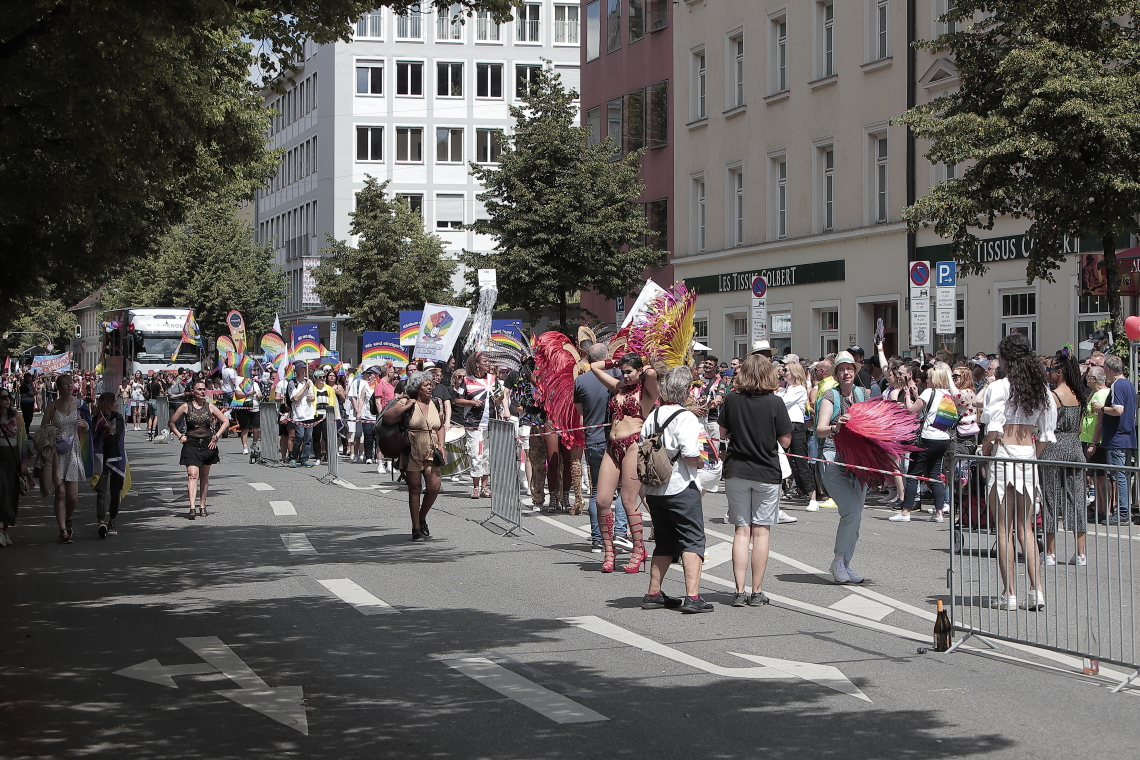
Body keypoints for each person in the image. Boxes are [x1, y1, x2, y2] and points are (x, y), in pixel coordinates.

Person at [980, 333, 1057, 611]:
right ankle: (1036, 591)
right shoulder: (1042, 390)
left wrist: (985, 451)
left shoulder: (999, 387)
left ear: (1006, 359)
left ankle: (1009, 593)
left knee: (1004, 530)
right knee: (1025, 528)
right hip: (1027, 456)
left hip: (1003, 454)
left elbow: (992, 430)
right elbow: (1047, 434)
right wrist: (1033, 456)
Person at [720, 355, 793, 607]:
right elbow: (785, 441)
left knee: (741, 531)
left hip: (737, 470)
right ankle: (756, 591)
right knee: (761, 533)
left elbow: (722, 434)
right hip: (766, 471)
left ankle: (738, 591)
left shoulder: (731, 399)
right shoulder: (775, 402)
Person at [640, 366, 712, 614]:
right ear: (685, 391)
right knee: (693, 540)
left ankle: (654, 592)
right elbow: (691, 455)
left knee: (664, 541)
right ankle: (693, 596)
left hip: (654, 487)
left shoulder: (653, 415)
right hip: (680, 485)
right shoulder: (686, 417)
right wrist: (702, 463)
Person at [589, 352, 659, 573]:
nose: (625, 375)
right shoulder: (619, 387)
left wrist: (644, 363)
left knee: (629, 501)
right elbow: (594, 366)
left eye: (629, 371)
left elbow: (652, 373)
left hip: (633, 446)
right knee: (602, 501)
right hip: (612, 446)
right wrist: (616, 361)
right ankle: (610, 551)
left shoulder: (647, 391)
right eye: (622, 371)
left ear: (639, 371)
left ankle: (639, 550)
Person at [814, 352, 870, 584]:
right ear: (836, 374)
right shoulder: (830, 395)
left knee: (856, 516)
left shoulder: (860, 393)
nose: (846, 373)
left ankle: (846, 563)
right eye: (841, 369)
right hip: (832, 457)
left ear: (855, 371)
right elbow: (820, 429)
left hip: (858, 459)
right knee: (851, 512)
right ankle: (838, 561)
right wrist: (837, 426)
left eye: (850, 368)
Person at [574, 343, 629, 551]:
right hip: (618, 440)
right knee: (624, 488)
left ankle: (598, 539)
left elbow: (580, 411)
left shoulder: (580, 380)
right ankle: (620, 532)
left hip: (593, 440)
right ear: (607, 356)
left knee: (597, 490)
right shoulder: (618, 375)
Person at [1040, 347, 1089, 566]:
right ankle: (1080, 554)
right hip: (1075, 447)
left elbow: (1047, 425)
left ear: (1059, 372)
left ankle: (1050, 553)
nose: (1048, 373)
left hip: (1054, 446)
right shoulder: (1079, 394)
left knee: (1051, 500)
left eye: (1050, 369)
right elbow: (1078, 428)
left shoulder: (1052, 395)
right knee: (1077, 500)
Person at [382, 372, 445, 541]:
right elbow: (387, 418)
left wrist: (442, 444)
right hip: (412, 448)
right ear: (417, 388)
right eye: (425, 385)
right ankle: (415, 527)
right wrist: (406, 407)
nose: (430, 387)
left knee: (434, 487)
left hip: (432, 449)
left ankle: (422, 517)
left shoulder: (436, 403)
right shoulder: (406, 401)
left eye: (430, 384)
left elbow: (440, 426)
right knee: (415, 488)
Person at [891, 363, 955, 523]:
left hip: (927, 437)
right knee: (934, 474)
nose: (927, 380)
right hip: (943, 438)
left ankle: (906, 511)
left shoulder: (929, 392)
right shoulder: (948, 394)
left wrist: (907, 396)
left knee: (913, 474)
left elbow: (912, 410)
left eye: (929, 378)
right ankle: (939, 511)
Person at [169, 380, 230, 519]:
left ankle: (202, 505)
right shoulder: (185, 407)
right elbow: (171, 422)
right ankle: (192, 507)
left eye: (204, 389)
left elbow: (225, 421)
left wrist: (216, 436)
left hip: (208, 444)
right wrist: (180, 435)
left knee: (204, 476)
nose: (203, 392)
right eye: (199, 389)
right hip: (191, 444)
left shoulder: (210, 407)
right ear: (193, 392)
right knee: (192, 474)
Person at [41, 373, 90, 543]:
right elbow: (43, 428)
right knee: (60, 493)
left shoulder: (81, 405)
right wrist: (52, 431)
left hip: (73, 451)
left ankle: (68, 519)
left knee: (73, 497)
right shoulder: (52, 406)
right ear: (59, 388)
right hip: (56, 452)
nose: (70, 386)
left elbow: (87, 431)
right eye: (65, 384)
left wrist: (85, 426)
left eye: (71, 383)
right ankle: (62, 530)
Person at [453, 352, 504, 498]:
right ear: (476, 364)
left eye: (489, 361)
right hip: (473, 422)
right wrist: (471, 402)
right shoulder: (467, 380)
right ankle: (475, 487)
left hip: (489, 423)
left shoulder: (492, 379)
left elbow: (497, 400)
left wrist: (502, 395)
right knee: (475, 453)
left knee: (487, 455)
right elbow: (458, 400)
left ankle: (484, 487)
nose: (488, 364)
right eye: (485, 361)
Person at [1098, 354, 1136, 526]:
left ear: (1108, 369)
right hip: (1126, 437)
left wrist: (1101, 408)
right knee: (1122, 476)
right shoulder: (1129, 384)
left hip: (1117, 437)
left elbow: (1118, 409)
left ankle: (1122, 513)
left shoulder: (1118, 385)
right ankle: (1124, 511)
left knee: (1119, 476)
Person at [778, 360, 817, 511]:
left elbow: (783, 403)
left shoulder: (799, 389)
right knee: (781, 459)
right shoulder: (783, 389)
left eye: (786, 370)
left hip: (796, 426)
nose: (784, 372)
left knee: (800, 461)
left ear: (794, 372)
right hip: (782, 426)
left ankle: (812, 497)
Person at [91, 392, 126, 538]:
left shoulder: (118, 417)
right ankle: (101, 522)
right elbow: (92, 438)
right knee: (101, 491)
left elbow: (119, 436)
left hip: (116, 457)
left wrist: (111, 431)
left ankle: (112, 520)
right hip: (101, 456)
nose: (116, 404)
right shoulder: (96, 418)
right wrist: (102, 431)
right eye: (114, 401)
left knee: (115, 491)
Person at [1081, 365, 1111, 521]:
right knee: (1096, 477)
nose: (1086, 378)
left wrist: (1094, 443)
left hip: (1096, 440)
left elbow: (1098, 422)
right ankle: (1100, 509)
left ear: (1093, 378)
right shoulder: (1096, 393)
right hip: (1089, 438)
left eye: (1088, 376)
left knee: (1101, 478)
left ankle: (1105, 510)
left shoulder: (1101, 395)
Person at [0, 388, 29, 547]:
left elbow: (23, 441)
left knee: (10, 494)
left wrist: (24, 462)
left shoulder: (17, 418)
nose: (7, 400)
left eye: (8, 397)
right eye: (3, 397)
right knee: (1, 491)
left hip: (13, 460)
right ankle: (0, 531)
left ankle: (5, 531)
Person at [287, 362, 318, 467]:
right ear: (298, 371)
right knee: (299, 436)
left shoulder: (309, 382)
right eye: (303, 369)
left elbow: (313, 397)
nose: (305, 371)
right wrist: (305, 387)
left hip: (309, 414)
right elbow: (295, 398)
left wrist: (311, 397)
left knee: (308, 438)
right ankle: (293, 457)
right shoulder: (292, 383)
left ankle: (304, 458)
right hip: (298, 415)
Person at [310, 369, 338, 463]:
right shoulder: (312, 389)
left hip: (327, 415)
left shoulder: (329, 389)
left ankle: (328, 456)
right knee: (316, 436)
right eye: (320, 377)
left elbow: (333, 402)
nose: (322, 379)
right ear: (315, 379)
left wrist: (332, 414)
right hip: (316, 415)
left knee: (326, 436)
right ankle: (318, 457)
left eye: (323, 377)